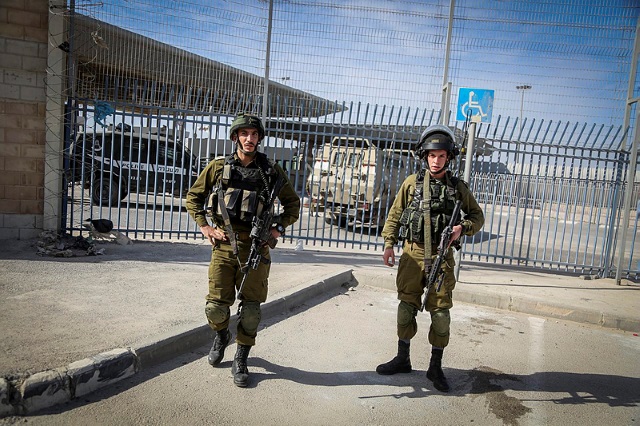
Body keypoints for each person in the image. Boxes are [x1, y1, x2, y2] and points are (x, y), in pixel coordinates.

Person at [186, 113, 300, 387]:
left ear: (259, 138)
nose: (250, 139)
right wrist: (205, 227)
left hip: (257, 246)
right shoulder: (217, 167)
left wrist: (277, 230)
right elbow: (193, 198)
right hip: (225, 245)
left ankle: (241, 356)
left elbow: (292, 206)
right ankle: (222, 334)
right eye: (244, 134)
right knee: (215, 308)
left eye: (254, 134)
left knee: (250, 310)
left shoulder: (271, 171)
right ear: (236, 136)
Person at [376, 124, 484, 392]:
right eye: (432, 155)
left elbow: (477, 217)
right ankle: (403, 357)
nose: (436, 161)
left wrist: (461, 229)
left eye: (442, 156)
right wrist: (389, 244)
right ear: (424, 156)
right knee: (405, 308)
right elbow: (395, 215)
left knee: (441, 315)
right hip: (412, 253)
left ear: (449, 158)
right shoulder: (411, 184)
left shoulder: (458, 188)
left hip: (442, 257)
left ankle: (435, 366)